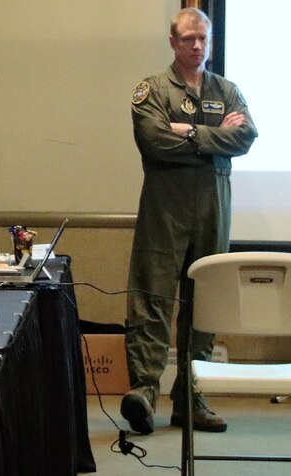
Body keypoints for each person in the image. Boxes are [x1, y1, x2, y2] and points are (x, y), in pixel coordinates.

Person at [121, 7, 257, 435]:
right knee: (153, 297)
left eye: (202, 39)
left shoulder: (227, 90)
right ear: (173, 42)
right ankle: (144, 390)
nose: (196, 45)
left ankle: (190, 395)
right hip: (166, 205)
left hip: (213, 207)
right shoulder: (153, 89)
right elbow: (154, 139)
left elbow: (246, 136)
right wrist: (213, 136)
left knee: (204, 303)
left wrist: (189, 131)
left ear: (210, 42)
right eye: (187, 39)